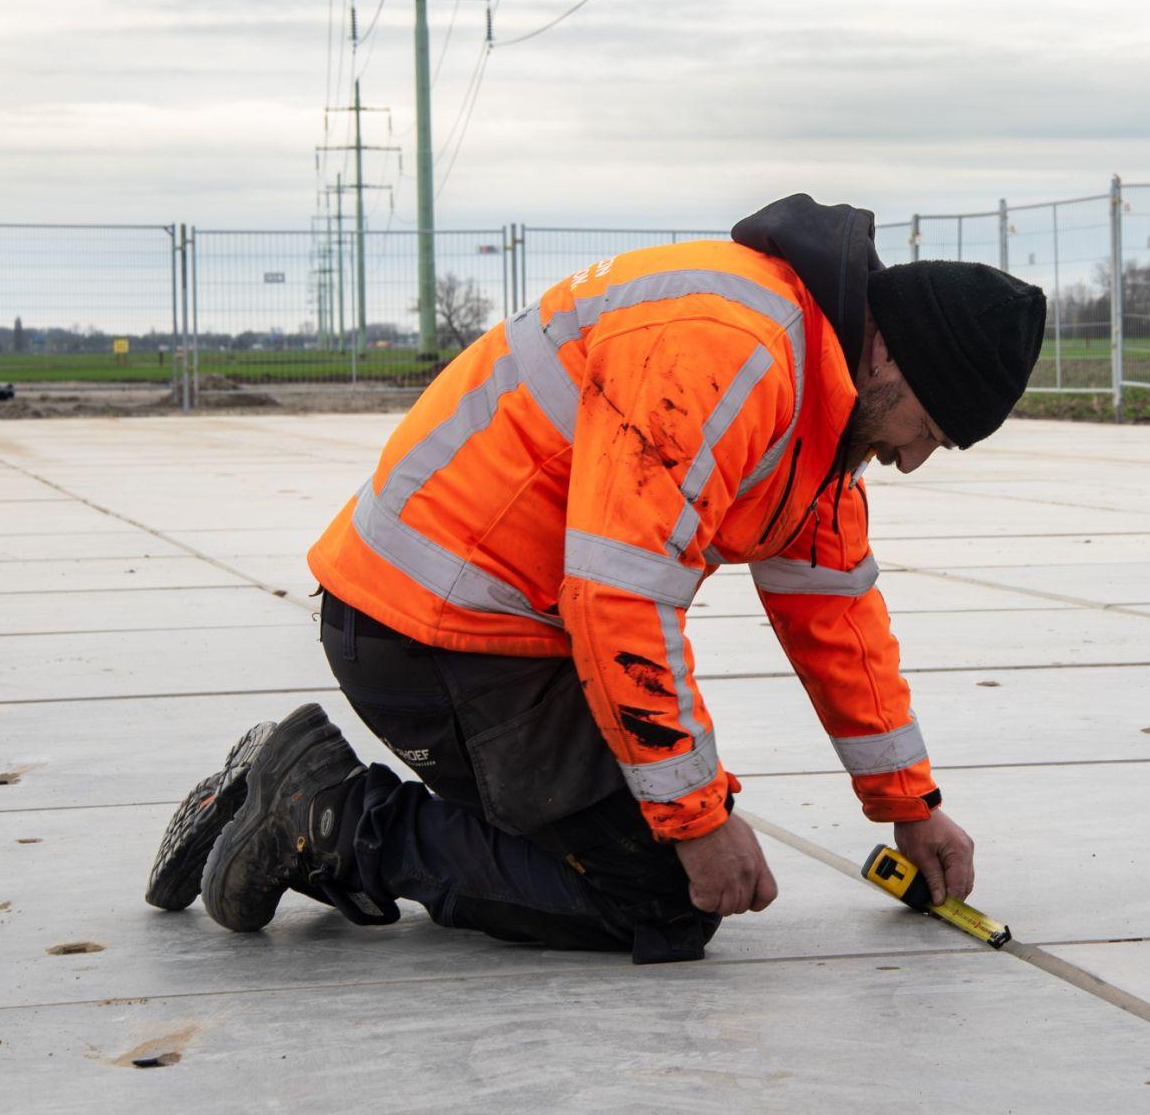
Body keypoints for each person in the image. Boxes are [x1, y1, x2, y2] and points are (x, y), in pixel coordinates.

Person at [144, 196, 1046, 964]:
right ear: (891, 359)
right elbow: (621, 595)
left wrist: (910, 805)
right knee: (662, 894)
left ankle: (290, 793)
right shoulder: (733, 350)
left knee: (655, 849)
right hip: (429, 631)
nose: (912, 459)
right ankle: (326, 810)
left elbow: (835, 615)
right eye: (929, 430)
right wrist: (695, 820)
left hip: (496, 632)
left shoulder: (824, 405)